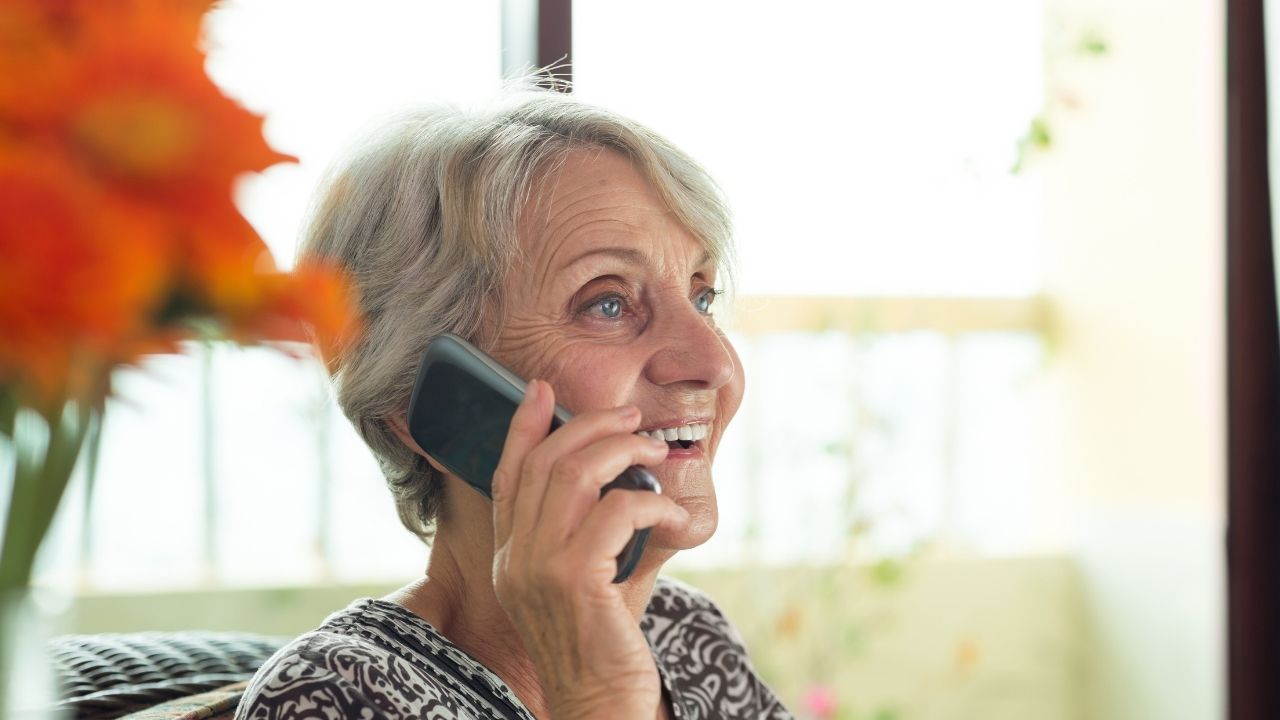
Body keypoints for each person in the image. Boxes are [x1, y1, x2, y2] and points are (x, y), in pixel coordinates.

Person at [237, 89, 792, 720]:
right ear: (429, 402)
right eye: (607, 304)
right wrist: (598, 697)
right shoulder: (336, 694)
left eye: (701, 297)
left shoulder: (681, 631)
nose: (714, 363)